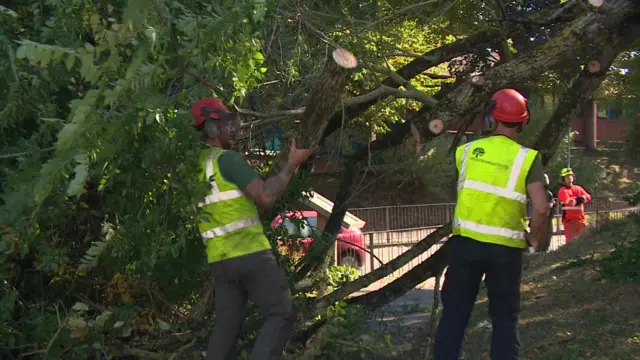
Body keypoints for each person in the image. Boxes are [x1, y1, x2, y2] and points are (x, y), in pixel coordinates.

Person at [189, 97, 317, 360]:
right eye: (225, 123)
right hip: (250, 253)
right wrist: (292, 164)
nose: (232, 129)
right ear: (212, 128)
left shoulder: (194, 168)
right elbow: (266, 196)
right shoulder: (227, 160)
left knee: (227, 327)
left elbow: (236, 209)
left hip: (220, 262)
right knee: (281, 312)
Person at [434, 88, 550, 360]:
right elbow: (542, 208)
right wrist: (532, 240)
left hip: (465, 246)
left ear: (489, 119)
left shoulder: (465, 152)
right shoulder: (527, 158)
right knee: (504, 319)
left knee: (454, 315)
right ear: (523, 122)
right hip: (506, 251)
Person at [557, 167, 591, 243]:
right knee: (571, 243)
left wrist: (580, 199)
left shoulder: (578, 188)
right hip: (570, 222)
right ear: (563, 179)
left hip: (581, 220)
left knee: (584, 242)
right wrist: (581, 199)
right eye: (567, 176)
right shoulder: (562, 191)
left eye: (571, 176)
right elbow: (570, 202)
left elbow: (588, 197)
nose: (570, 178)